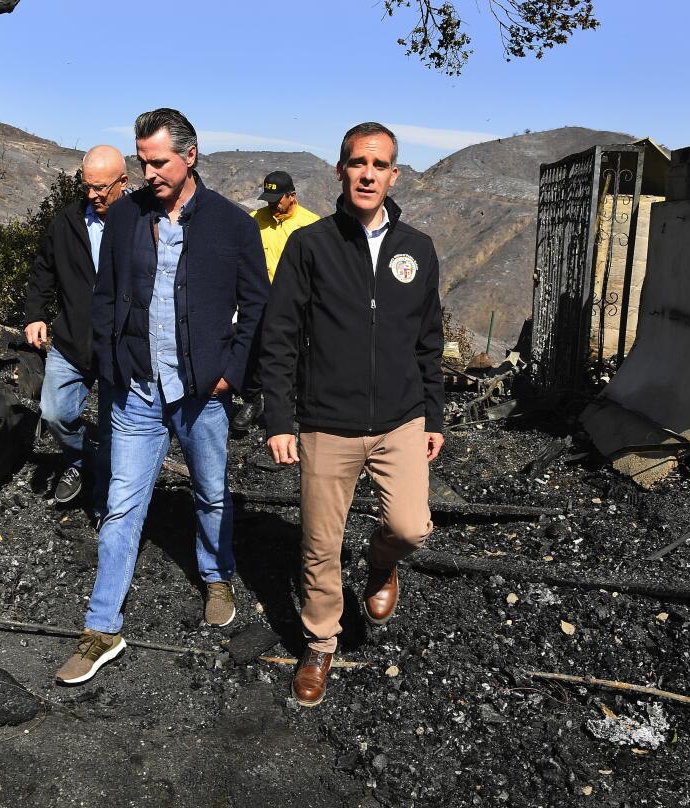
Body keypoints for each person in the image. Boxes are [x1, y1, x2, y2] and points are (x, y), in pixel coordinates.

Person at [55, 108, 270, 684]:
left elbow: (257, 307)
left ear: (190, 155)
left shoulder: (232, 225)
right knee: (122, 505)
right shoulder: (125, 215)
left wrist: (231, 372)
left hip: (201, 392)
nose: (148, 172)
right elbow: (106, 296)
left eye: (159, 161)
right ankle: (101, 627)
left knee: (210, 491)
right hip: (135, 391)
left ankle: (217, 575)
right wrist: (109, 363)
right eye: (142, 161)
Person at [258, 122, 445, 707]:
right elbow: (280, 337)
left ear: (394, 175)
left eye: (380, 164)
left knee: (412, 526)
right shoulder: (310, 245)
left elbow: (429, 340)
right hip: (325, 421)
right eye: (358, 162)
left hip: (400, 418)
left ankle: (382, 564)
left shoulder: (418, 248)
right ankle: (319, 643)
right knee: (319, 543)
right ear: (340, 170)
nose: (368, 173)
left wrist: (434, 414)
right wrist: (279, 420)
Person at [24, 146, 128, 516]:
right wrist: (35, 314)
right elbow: (43, 270)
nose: (93, 195)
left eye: (101, 188)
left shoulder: (141, 222)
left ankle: (105, 508)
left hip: (120, 347)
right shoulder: (66, 221)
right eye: (88, 186)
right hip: (70, 341)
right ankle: (82, 458)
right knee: (54, 413)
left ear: (124, 182)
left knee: (115, 431)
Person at [232, 170, 320, 432]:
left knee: (292, 355)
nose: (271, 204)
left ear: (292, 196)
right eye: (268, 199)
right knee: (250, 349)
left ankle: (288, 409)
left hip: (296, 302)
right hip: (258, 300)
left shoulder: (311, 225)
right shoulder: (254, 221)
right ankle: (252, 401)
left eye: (277, 199)